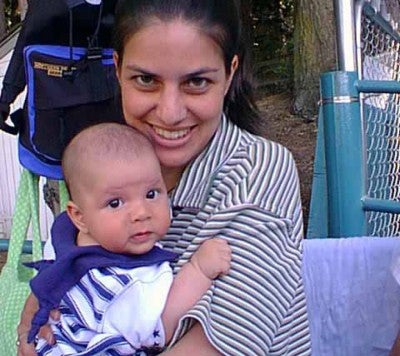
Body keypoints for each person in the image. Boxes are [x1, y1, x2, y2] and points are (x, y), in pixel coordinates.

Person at [17, 0, 311, 354]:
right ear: (117, 67)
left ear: (230, 72)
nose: (170, 113)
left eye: (197, 82)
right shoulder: (103, 158)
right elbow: (52, 297)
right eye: (145, 80)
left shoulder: (257, 174)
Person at [26, 122, 231, 355]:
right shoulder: (126, 282)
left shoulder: (63, 238)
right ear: (80, 217)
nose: (141, 213)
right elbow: (158, 330)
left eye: (151, 194)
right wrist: (199, 269)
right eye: (115, 203)